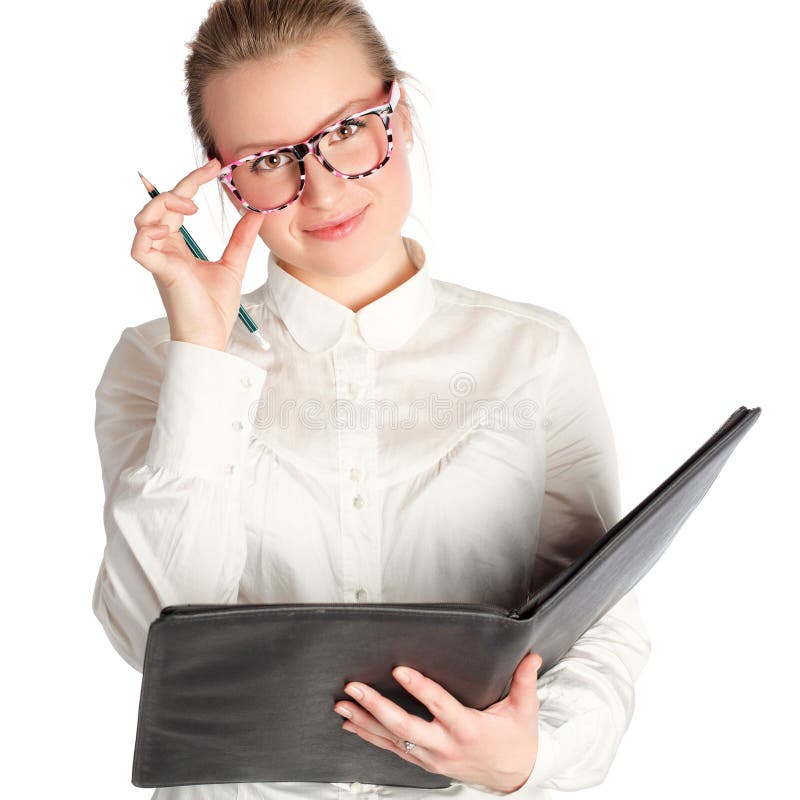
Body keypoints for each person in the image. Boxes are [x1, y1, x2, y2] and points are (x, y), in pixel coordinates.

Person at [91, 1, 651, 798]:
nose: (322, 190)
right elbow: (153, 639)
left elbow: (596, 620)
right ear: (223, 178)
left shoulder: (536, 355)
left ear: (402, 117)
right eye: (269, 159)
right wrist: (203, 359)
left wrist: (531, 754)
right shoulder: (157, 364)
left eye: (349, 130)